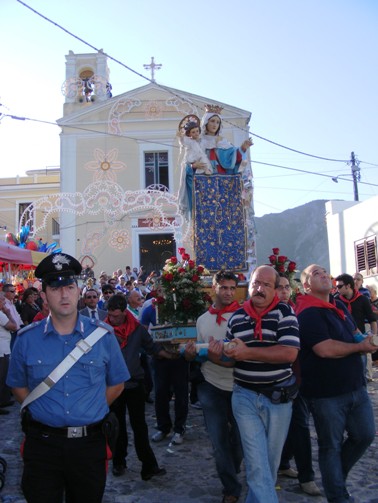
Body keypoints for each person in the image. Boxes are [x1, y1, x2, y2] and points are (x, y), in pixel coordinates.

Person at [6, 252, 130, 503]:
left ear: (79, 291)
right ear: (44, 295)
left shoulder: (103, 337)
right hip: (42, 445)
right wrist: (46, 410)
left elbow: (117, 384)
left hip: (88, 446)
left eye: (69, 287)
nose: (64, 294)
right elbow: (18, 387)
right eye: (55, 288)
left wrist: (89, 408)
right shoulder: (26, 339)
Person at [296, 264, 376, 503]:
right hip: (326, 394)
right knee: (330, 446)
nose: (323, 275)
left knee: (365, 435)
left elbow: (355, 334)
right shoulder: (307, 312)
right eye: (315, 274)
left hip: (355, 386)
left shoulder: (338, 305)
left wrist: (368, 340)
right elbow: (325, 349)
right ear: (306, 285)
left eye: (324, 272)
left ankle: (334, 478)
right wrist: (361, 347)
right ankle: (338, 496)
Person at [223, 265, 300, 503]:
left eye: (266, 285)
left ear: (276, 289)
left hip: (278, 398)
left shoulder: (285, 314)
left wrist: (247, 353)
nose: (259, 288)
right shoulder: (236, 318)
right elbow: (229, 358)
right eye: (256, 283)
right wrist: (214, 353)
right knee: (257, 464)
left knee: (269, 463)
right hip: (244, 396)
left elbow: (289, 354)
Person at [185, 270, 243, 503]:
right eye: (224, 287)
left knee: (238, 441)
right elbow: (199, 355)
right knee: (218, 440)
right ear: (214, 288)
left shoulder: (243, 316)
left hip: (240, 385)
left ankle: (231, 469)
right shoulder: (202, 320)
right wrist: (191, 355)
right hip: (211, 385)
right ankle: (230, 487)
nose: (228, 292)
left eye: (232, 288)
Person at [105, 294, 168, 480]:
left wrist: (171, 354)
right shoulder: (103, 329)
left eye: (116, 316)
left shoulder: (137, 329)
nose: (112, 319)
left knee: (139, 426)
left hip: (134, 383)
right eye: (110, 315)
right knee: (117, 426)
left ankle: (148, 466)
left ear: (125, 312)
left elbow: (152, 348)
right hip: (113, 385)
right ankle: (119, 462)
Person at [276, 275, 321, 496]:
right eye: (280, 288)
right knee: (298, 426)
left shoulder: (299, 310)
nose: (284, 292)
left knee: (299, 424)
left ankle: (289, 466)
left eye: (287, 287)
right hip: (279, 380)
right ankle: (305, 476)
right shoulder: (269, 315)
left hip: (299, 377)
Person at [178, 105, 253, 219]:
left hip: (223, 185)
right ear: (206, 122)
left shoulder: (222, 142)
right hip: (203, 185)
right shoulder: (198, 140)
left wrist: (243, 148)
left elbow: (235, 160)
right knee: (206, 218)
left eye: (217, 122)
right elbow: (187, 161)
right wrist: (193, 166)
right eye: (212, 121)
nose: (214, 124)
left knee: (224, 217)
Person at [0, 292, 17, 414]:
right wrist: (9, 313)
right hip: (2, 349)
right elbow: (13, 326)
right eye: (2, 301)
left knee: (4, 375)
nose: (4, 303)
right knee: (1, 376)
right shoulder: (1, 315)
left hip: (4, 348)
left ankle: (3, 400)